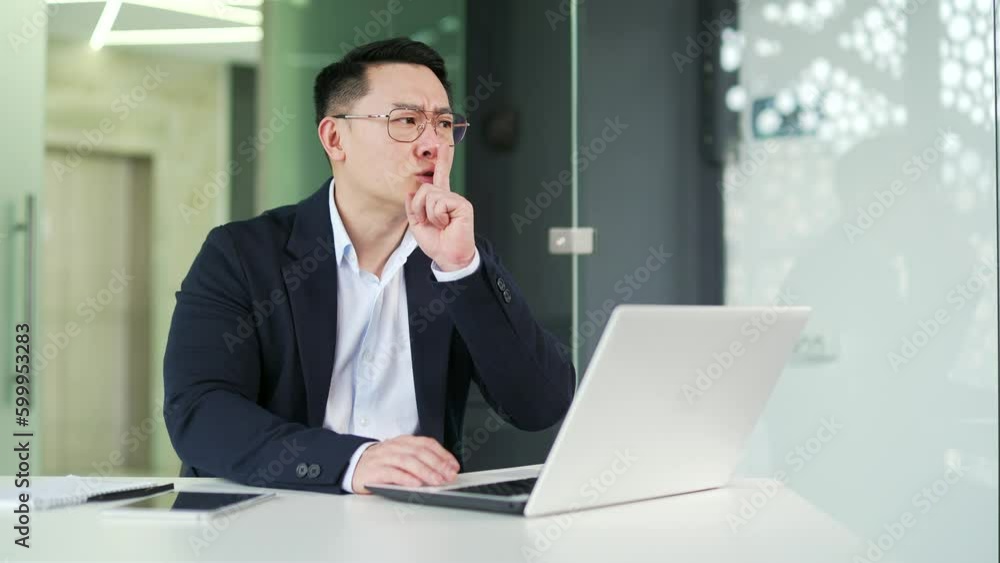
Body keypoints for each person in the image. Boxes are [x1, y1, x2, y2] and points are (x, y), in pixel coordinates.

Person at [163, 38, 575, 495]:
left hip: (416, 526)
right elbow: (199, 411)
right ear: (335, 138)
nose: (432, 145)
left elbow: (540, 405)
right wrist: (352, 462)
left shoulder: (457, 258)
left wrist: (462, 269)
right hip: (269, 516)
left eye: (442, 124)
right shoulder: (241, 254)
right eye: (406, 122)